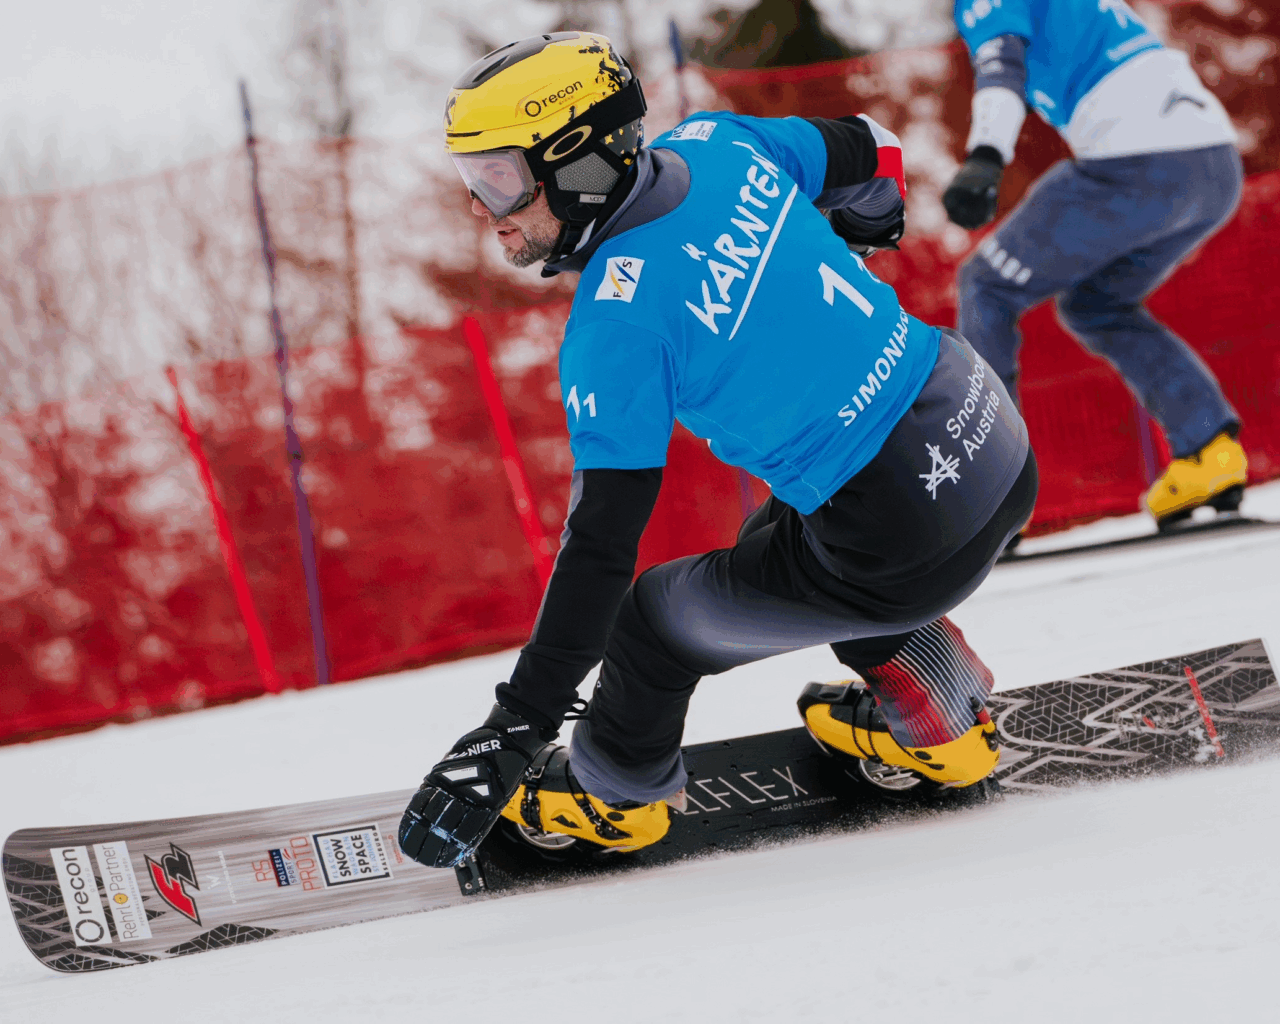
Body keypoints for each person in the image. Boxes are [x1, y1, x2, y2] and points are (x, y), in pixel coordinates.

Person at [399, 31, 1038, 868]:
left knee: (652, 622)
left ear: (576, 162)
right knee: (784, 546)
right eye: (472, 180)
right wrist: (865, 231)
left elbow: (601, 547)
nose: (483, 209)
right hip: (994, 437)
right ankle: (938, 714)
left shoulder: (617, 322)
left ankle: (612, 797)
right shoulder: (717, 141)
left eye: (498, 178)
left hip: (901, 538)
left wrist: (515, 727)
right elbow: (875, 149)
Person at [944, 0, 1248, 530]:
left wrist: (985, 158)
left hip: (1137, 164)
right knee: (1096, 304)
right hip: (1214, 166)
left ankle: (992, 495)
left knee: (985, 285)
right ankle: (1209, 450)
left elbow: (1001, 67)